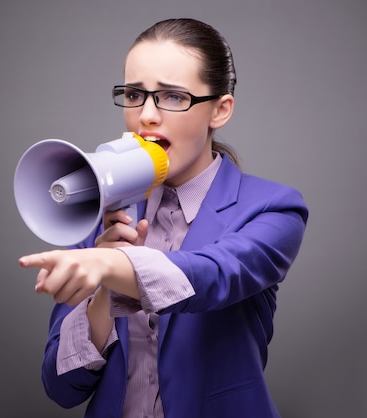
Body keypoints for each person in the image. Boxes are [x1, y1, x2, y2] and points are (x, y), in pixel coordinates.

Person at [18, 18, 308, 418]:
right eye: (135, 94)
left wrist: (113, 264)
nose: (147, 115)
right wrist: (103, 292)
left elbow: (215, 274)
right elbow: (61, 387)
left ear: (220, 110)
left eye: (172, 97)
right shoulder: (101, 218)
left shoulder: (273, 208)